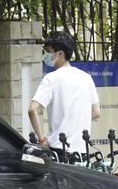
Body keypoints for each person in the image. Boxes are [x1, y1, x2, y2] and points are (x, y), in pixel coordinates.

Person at [28, 31, 100, 161]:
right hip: (83, 151)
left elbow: (32, 110)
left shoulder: (51, 79)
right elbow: (96, 113)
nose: (45, 55)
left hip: (58, 150)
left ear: (60, 53)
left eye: (48, 51)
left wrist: (42, 140)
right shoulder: (86, 78)